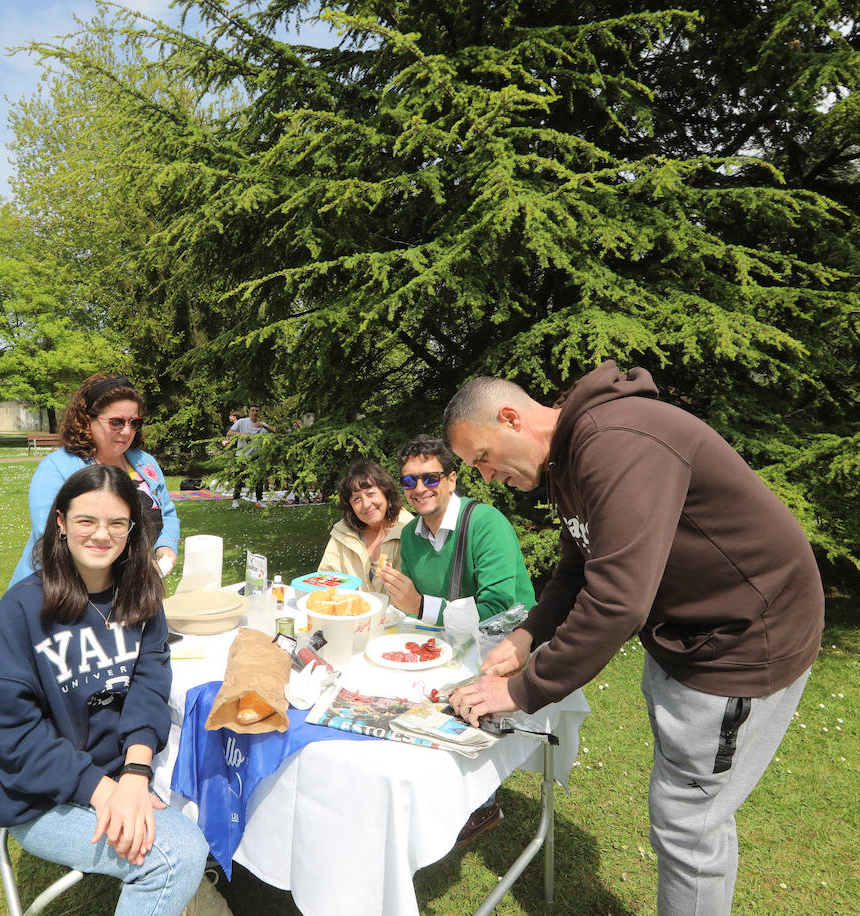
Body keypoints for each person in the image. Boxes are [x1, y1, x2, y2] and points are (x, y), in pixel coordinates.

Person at [442, 364, 824, 916]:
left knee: (687, 821)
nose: (485, 475)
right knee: (700, 809)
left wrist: (523, 691)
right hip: (684, 637)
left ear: (510, 419)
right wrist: (528, 635)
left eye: (481, 458)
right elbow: (578, 567)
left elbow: (618, 599)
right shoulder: (570, 459)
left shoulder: (615, 441)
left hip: (743, 638)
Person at [0, 464, 208, 915]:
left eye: (117, 522)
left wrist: (136, 775)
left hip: (122, 774)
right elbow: (11, 733)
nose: (102, 534)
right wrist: (104, 791)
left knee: (206, 794)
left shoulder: (142, 595)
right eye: (86, 520)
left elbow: (149, 688)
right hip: (43, 797)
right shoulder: (23, 608)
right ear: (60, 522)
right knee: (175, 856)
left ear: (132, 530)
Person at [10, 374, 179, 586]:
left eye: (134, 423)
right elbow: (49, 534)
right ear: (86, 419)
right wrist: (128, 569)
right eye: (116, 422)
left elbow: (168, 514)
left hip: (133, 591)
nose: (127, 431)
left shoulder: (146, 464)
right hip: (62, 591)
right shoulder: (58, 467)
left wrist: (165, 547)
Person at [379, 435, 536, 624]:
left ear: (451, 480)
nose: (419, 489)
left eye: (430, 479)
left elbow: (496, 611)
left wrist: (420, 606)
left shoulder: (486, 523)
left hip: (509, 643)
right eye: (409, 481)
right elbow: (413, 613)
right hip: (443, 644)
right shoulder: (409, 534)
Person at [317, 460, 416, 595]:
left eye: (371, 494)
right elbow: (325, 581)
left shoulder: (411, 531)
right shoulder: (343, 534)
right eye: (356, 499)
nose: (366, 504)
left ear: (386, 493)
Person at [223, 404, 273, 507]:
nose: (255, 412)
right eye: (253, 410)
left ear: (259, 412)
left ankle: (259, 500)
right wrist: (242, 435)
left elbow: (274, 433)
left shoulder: (262, 424)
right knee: (239, 478)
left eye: (257, 411)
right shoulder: (242, 422)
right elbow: (229, 433)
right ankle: (235, 500)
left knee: (258, 478)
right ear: (249, 412)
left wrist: (265, 426)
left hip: (256, 455)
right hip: (241, 455)